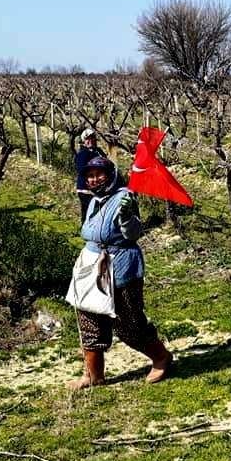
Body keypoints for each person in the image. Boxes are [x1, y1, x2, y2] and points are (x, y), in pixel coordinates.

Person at [70, 155, 172, 389]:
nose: (94, 179)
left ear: (111, 175)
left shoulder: (124, 197)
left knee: (128, 320)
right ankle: (94, 374)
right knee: (89, 317)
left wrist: (126, 218)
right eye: (90, 176)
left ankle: (161, 357)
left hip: (120, 266)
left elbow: (134, 233)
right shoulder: (94, 201)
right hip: (93, 266)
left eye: (99, 174)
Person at [74, 127, 106, 222]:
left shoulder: (98, 152)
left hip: (98, 188)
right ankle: (86, 228)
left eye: (92, 138)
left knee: (96, 212)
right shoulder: (83, 153)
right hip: (86, 189)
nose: (90, 140)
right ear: (84, 141)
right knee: (90, 212)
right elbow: (81, 170)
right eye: (87, 139)